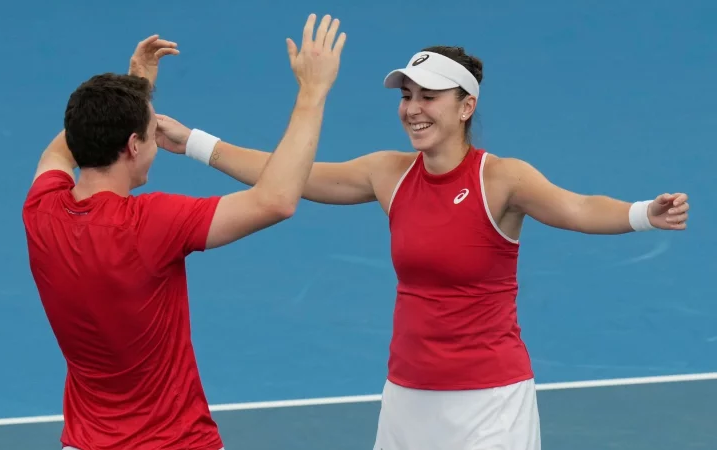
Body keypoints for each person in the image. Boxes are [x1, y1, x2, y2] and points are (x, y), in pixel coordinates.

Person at [159, 45, 691, 449]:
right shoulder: (388, 174)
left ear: (465, 107)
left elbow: (577, 208)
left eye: (428, 97)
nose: (413, 109)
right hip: (408, 396)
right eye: (406, 96)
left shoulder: (502, 179)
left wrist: (644, 214)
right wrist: (192, 143)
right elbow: (286, 176)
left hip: (490, 403)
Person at [22, 15, 346, 450]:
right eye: (151, 135)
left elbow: (61, 147)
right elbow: (276, 200)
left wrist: (132, 88)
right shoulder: (151, 223)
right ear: (134, 146)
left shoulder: (41, 210)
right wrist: (313, 91)